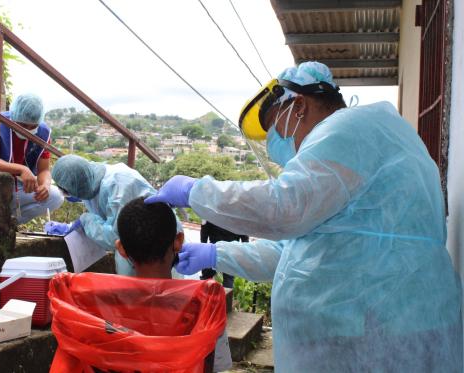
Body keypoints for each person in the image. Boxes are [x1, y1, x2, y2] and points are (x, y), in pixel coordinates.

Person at [146, 61, 463, 371]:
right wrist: (216, 254)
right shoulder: (354, 152)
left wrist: (196, 192)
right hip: (371, 332)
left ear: (299, 106)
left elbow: (283, 209)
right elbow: (293, 254)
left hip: (383, 335)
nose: (276, 143)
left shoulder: (349, 130)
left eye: (275, 127)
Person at [115, 197, 232, 372]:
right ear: (178, 241)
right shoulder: (204, 306)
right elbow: (217, 365)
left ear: (121, 249)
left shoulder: (102, 303)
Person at [47, 154, 163, 276]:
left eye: (65, 191)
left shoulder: (117, 188)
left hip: (156, 250)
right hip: (142, 248)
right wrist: (72, 226)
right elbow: (106, 218)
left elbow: (116, 238)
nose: (67, 195)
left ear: (75, 186)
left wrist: (86, 221)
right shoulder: (90, 181)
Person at [0, 93, 63, 224]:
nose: (28, 130)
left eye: (33, 126)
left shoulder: (44, 132)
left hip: (18, 187)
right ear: (14, 117)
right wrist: (21, 169)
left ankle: (7, 223)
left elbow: (44, 170)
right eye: (23, 125)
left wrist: (45, 185)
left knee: (55, 197)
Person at [200, 220, 248, 289]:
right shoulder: (238, 216)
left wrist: (203, 245)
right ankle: (226, 298)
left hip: (213, 249)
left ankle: (204, 298)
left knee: (206, 278)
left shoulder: (212, 212)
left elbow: (204, 230)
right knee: (228, 280)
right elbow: (244, 237)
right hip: (231, 251)